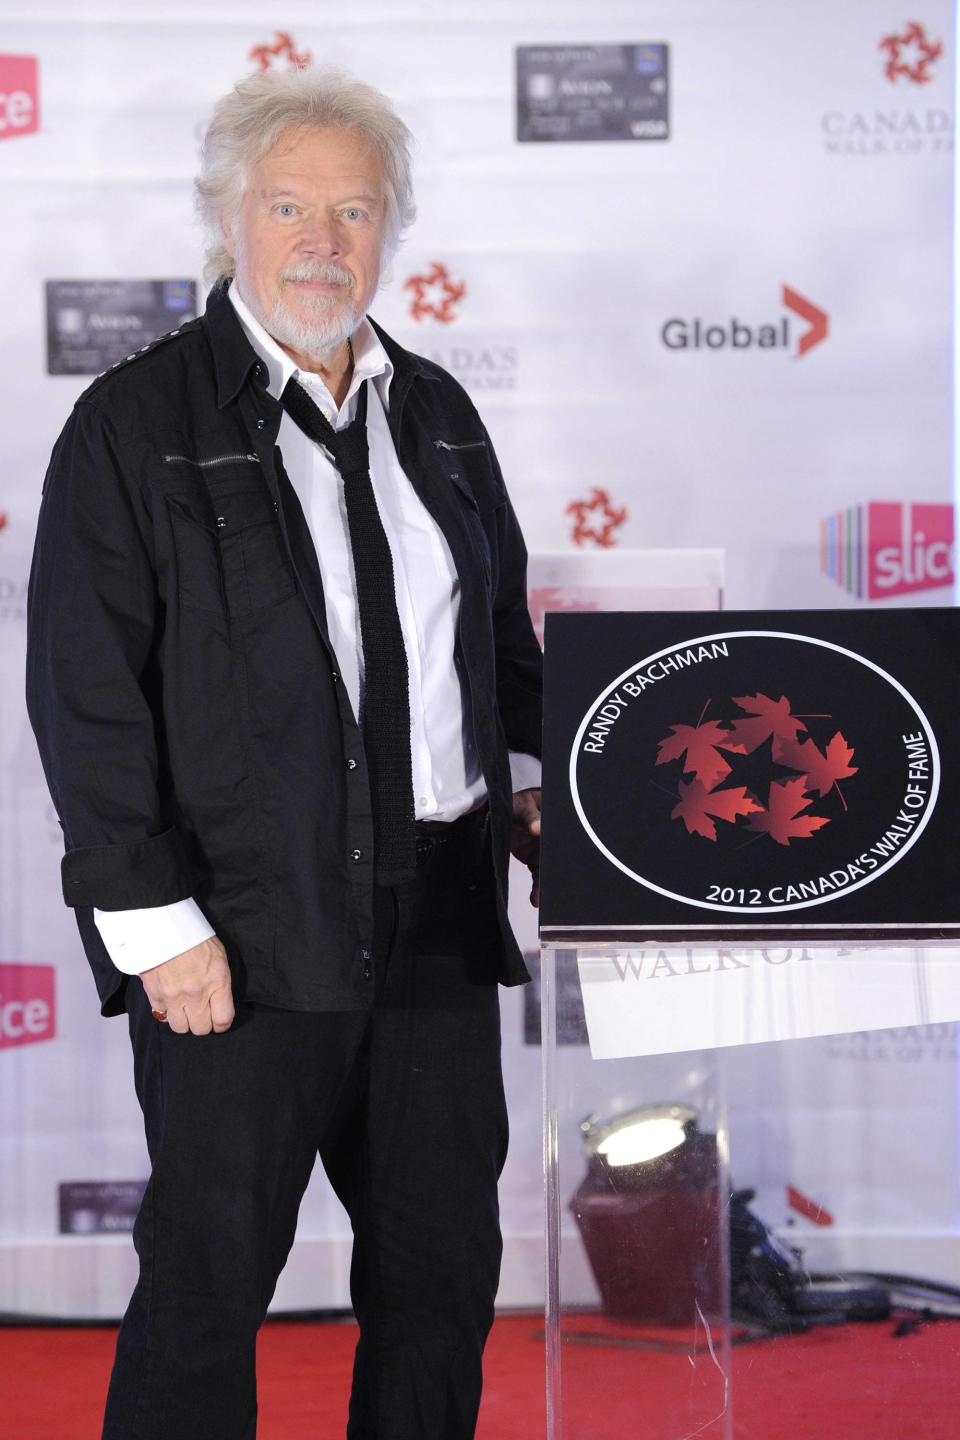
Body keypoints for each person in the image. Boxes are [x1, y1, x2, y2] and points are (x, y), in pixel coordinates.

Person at [26, 66, 543, 1440]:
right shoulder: (133, 427)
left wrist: (557, 796)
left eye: (356, 209)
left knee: (441, 1282)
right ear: (229, 220)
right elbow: (86, 700)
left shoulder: (435, 413)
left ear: (393, 230)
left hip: (436, 916)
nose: (325, 239)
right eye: (291, 205)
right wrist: (153, 928)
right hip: (241, 931)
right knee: (207, 1286)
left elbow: (496, 647)